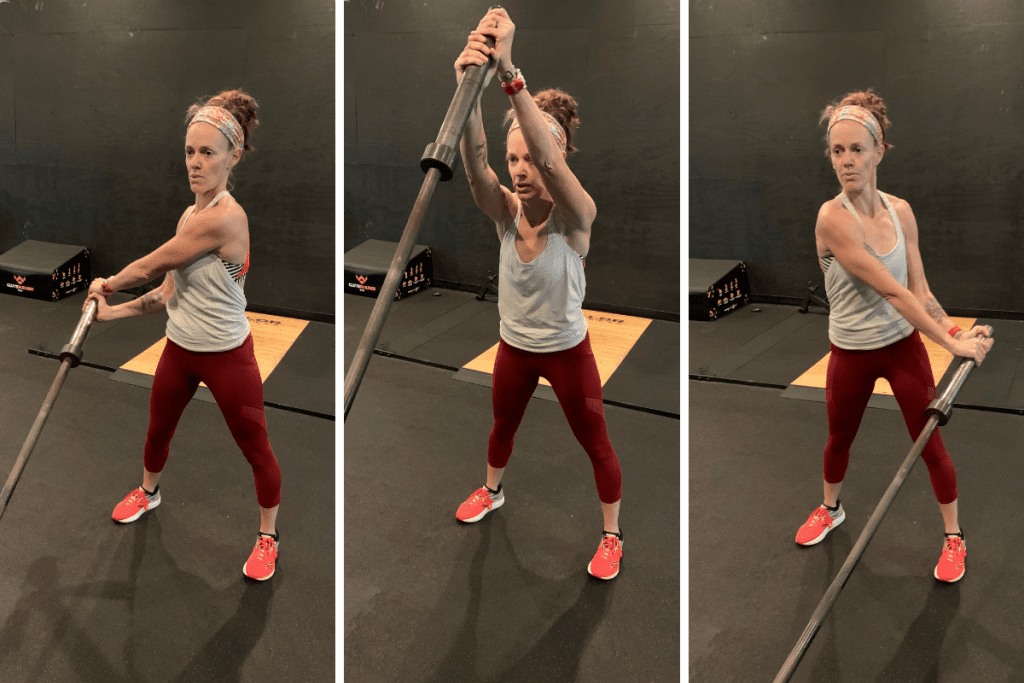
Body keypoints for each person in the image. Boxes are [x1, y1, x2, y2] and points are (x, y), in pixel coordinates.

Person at [451, 7, 623, 581]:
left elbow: (551, 158)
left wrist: (508, 74)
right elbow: (475, 167)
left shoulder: (578, 218)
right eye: (514, 159)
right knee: (501, 428)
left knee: (595, 443)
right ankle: (492, 489)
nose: (522, 171)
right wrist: (467, 91)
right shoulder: (506, 213)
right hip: (513, 349)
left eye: (530, 159)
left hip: (567, 352)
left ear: (560, 159)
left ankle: (612, 534)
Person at [83, 89, 282, 581]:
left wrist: (107, 283)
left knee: (256, 448)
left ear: (233, 157)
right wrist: (112, 315)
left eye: (207, 153)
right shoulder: (190, 216)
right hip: (179, 350)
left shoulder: (225, 217)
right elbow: (166, 291)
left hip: (227, 356)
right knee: (157, 432)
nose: (195, 163)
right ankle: (149, 493)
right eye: (190, 152)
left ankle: (268, 536)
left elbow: (153, 264)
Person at [796, 90, 994, 583]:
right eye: (837, 151)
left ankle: (954, 538)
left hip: (903, 349)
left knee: (929, 444)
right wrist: (954, 347)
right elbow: (890, 291)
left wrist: (953, 329)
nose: (846, 161)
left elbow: (919, 290)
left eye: (857, 150)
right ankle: (830, 507)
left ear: (879, 151)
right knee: (838, 440)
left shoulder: (901, 212)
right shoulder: (832, 218)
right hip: (850, 353)